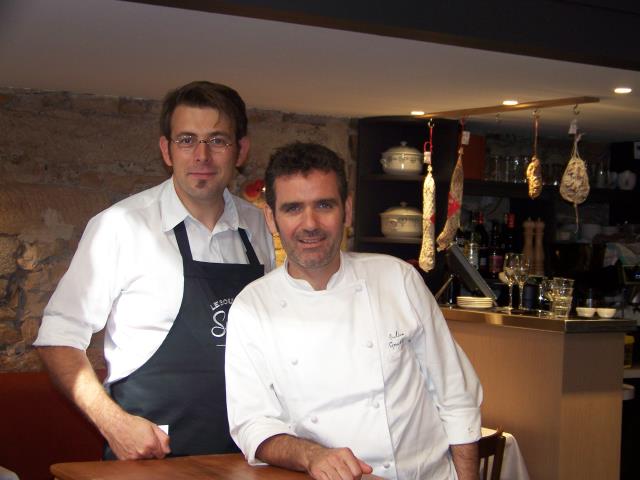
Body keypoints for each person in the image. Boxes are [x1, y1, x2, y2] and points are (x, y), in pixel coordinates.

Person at [34, 81, 274, 460]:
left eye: (217, 140)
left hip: (243, 457)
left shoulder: (255, 226)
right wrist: (114, 424)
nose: (202, 156)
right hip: (150, 458)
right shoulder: (120, 226)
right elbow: (58, 338)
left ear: (241, 150)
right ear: (166, 149)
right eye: (186, 140)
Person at [225, 142, 482, 480]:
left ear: (346, 210)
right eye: (293, 209)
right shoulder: (251, 307)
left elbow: (455, 394)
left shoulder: (397, 280)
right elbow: (252, 424)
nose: (310, 223)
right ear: (271, 219)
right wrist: (311, 455)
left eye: (324, 205)